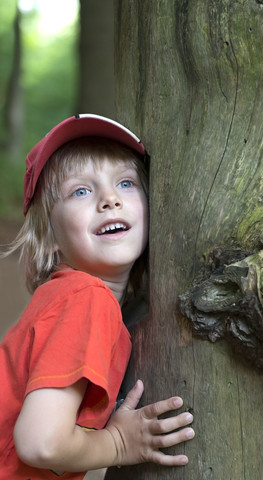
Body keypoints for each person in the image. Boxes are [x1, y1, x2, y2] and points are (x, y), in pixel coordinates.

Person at [0, 114, 194, 479]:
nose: (109, 199)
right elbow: (41, 442)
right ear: (50, 238)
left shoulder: (69, 297)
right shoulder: (86, 298)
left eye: (126, 182)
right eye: (81, 191)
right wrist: (119, 443)